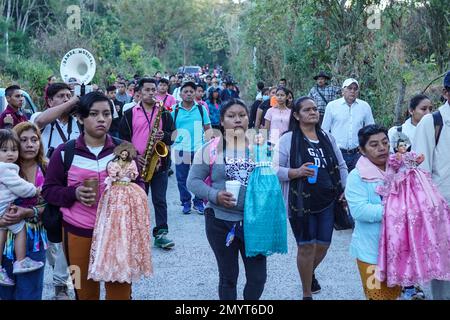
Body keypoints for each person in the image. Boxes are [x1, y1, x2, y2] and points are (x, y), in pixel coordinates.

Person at [43, 92, 140, 300]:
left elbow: (139, 185)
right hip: (76, 233)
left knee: (121, 294)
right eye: (94, 114)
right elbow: (49, 190)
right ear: (80, 118)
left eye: (106, 113)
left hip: (117, 234)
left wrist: (125, 191)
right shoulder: (64, 152)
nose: (102, 119)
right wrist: (74, 192)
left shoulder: (123, 149)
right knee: (83, 293)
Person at [187, 98, 268, 300]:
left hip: (255, 222)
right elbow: (193, 181)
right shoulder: (210, 149)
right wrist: (215, 195)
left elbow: (273, 179)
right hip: (220, 221)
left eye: (242, 115)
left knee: (258, 278)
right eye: (231, 116)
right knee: (228, 277)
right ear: (222, 122)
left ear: (249, 119)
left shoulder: (261, 148)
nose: (238, 120)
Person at [272, 97, 348, 300]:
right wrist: (296, 172)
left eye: (315, 109)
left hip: (328, 200)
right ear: (296, 115)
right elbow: (274, 169)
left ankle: (308, 272)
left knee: (323, 245)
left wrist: (345, 189)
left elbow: (341, 165)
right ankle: (307, 292)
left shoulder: (327, 137)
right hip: (299, 203)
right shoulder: (288, 139)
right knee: (306, 246)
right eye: (307, 110)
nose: (313, 112)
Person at [375, 139, 450, 293]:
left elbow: (418, 161)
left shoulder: (410, 156)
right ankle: (409, 286)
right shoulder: (395, 158)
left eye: (404, 145)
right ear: (396, 147)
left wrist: (417, 160)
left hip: (417, 182)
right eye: (400, 145)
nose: (402, 147)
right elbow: (392, 171)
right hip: (403, 185)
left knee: (425, 203)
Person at [30, 82, 79, 299]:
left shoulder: (78, 122)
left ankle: (65, 285)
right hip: (45, 187)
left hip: (71, 187)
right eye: (61, 96)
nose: (67, 99)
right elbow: (40, 121)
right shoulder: (39, 117)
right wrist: (75, 100)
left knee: (71, 236)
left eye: (69, 95)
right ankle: (61, 276)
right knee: (51, 239)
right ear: (50, 101)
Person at [345, 124, 402, 300]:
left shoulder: (401, 170)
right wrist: (396, 209)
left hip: (397, 249)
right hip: (369, 252)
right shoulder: (356, 176)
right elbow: (360, 211)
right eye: (374, 144)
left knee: (393, 294)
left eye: (385, 142)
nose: (382, 148)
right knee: (375, 294)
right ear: (362, 150)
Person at [119, 78, 176, 250]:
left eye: (154, 90)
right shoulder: (129, 113)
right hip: (137, 164)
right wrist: (134, 156)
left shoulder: (164, 113)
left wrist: (164, 136)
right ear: (139, 92)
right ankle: (137, 234)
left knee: (159, 200)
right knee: (137, 201)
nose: (151, 93)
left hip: (159, 164)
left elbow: (173, 135)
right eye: (148, 90)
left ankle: (161, 234)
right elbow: (122, 139)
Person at [88, 142, 152, 283]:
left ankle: (125, 262)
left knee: (126, 224)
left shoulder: (131, 163)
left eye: (125, 153)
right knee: (113, 222)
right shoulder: (114, 163)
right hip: (115, 191)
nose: (124, 155)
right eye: (122, 153)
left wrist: (131, 174)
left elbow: (136, 176)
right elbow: (112, 175)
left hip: (128, 191)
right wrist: (116, 174)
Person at [0, 123, 49, 299]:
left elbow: (55, 205)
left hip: (35, 239)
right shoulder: (5, 168)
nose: (30, 144)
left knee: (30, 292)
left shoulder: (47, 168)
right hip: (5, 241)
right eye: (23, 140)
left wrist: (29, 212)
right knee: (4, 291)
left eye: (34, 140)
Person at [413, 70, 450, 300]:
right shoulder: (432, 121)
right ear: (446, 93)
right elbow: (420, 170)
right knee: (443, 261)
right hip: (442, 203)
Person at [172, 81, 211, 215]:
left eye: (191, 92)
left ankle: (199, 202)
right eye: (186, 91)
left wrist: (210, 144)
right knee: (182, 178)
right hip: (181, 149)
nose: (188, 94)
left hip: (199, 148)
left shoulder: (201, 109)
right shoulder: (174, 110)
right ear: (181, 94)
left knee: (199, 177)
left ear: (195, 94)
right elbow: (170, 128)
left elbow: (207, 128)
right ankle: (186, 202)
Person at [322, 78, 375, 172]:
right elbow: (324, 131)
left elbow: (371, 129)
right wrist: (328, 151)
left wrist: (365, 147)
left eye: (355, 89)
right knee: (339, 182)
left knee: (357, 181)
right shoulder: (332, 106)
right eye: (349, 88)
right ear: (343, 91)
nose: (352, 91)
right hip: (337, 153)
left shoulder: (364, 106)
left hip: (358, 153)